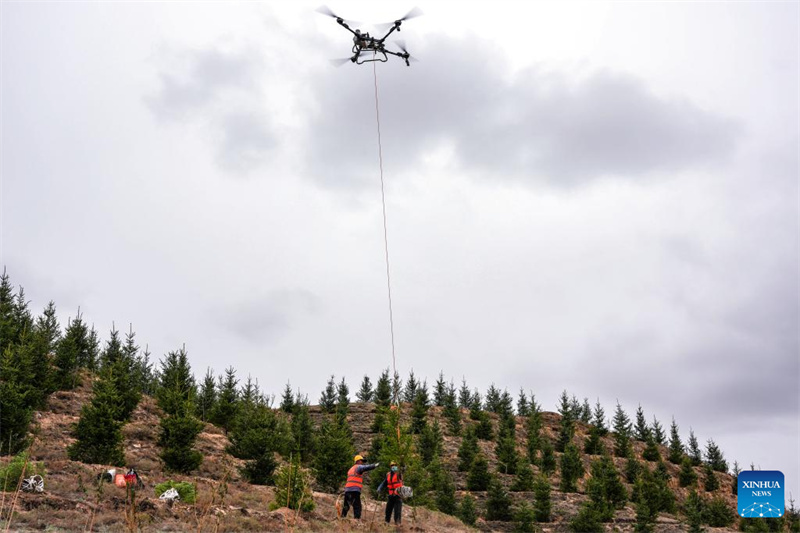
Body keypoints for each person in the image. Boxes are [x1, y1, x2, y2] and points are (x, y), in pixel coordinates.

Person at [342, 455, 379, 519]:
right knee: (357, 507)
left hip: (347, 490)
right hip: (354, 490)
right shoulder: (358, 467)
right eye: (362, 461)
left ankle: (342, 519)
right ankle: (356, 521)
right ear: (358, 461)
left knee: (346, 506)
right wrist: (374, 465)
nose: (363, 463)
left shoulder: (351, 469)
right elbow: (365, 467)